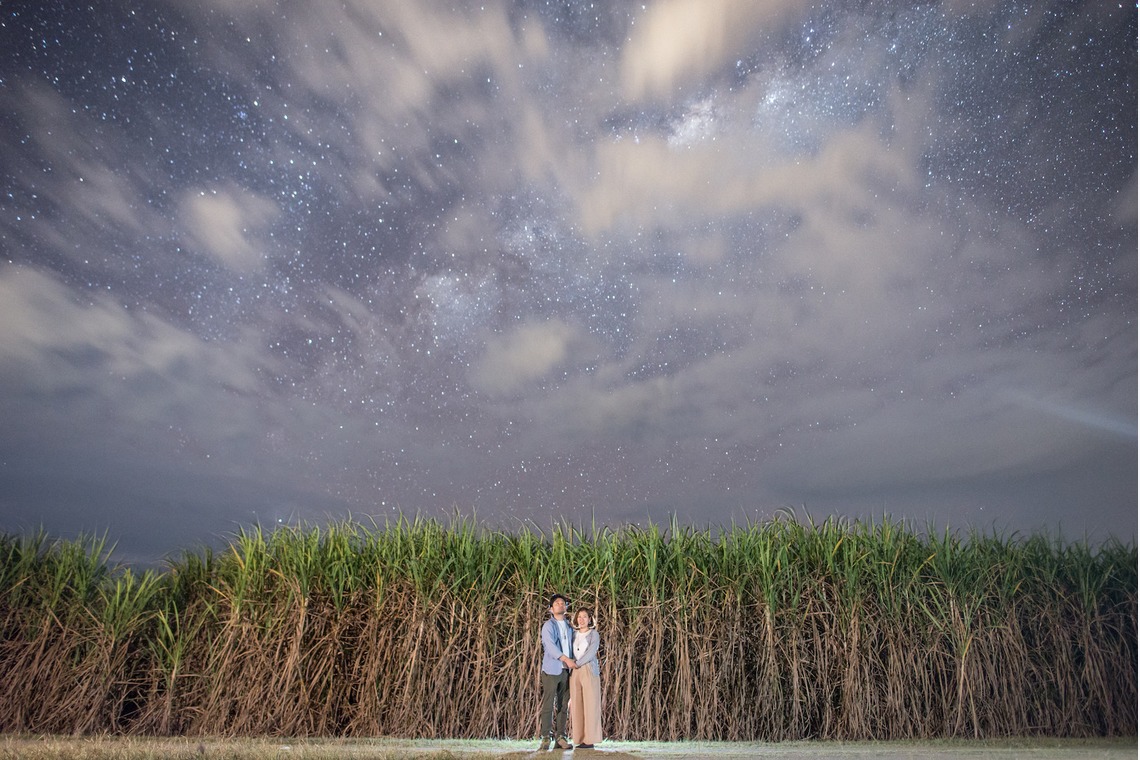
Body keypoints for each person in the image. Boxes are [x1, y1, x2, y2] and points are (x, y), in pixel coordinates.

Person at [538, 593, 575, 751]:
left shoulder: (569, 626)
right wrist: (566, 659)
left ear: (566, 607)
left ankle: (560, 737)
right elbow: (550, 646)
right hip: (552, 670)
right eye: (557, 603)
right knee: (548, 703)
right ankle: (546, 737)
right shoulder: (548, 626)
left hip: (566, 671)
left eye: (563, 603)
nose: (560, 605)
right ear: (551, 609)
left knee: (563, 705)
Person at [568, 607, 603, 749]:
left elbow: (591, 652)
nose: (581, 619)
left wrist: (577, 663)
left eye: (584, 617)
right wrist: (571, 664)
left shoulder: (593, 634)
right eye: (579, 617)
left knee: (590, 703)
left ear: (589, 619)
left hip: (588, 668)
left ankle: (590, 739)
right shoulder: (573, 634)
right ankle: (580, 738)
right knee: (577, 704)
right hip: (574, 671)